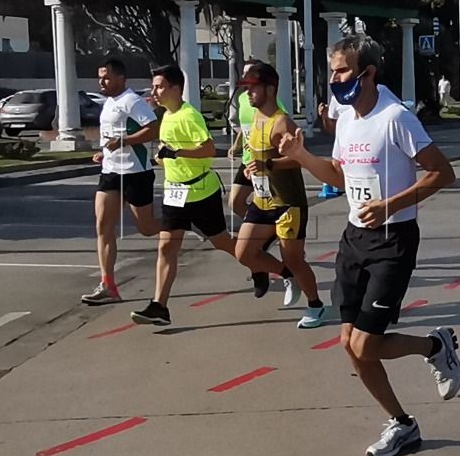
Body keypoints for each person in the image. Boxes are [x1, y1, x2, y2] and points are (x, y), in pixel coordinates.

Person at [277, 35, 460, 456]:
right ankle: (403, 424)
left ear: (368, 73)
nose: (335, 79)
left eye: (342, 71)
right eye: (333, 71)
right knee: (349, 343)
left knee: (364, 345)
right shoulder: (346, 118)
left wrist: (390, 205)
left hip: (393, 240)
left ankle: (435, 349)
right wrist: (303, 155)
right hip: (354, 238)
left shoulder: (395, 117)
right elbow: (341, 176)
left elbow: (443, 173)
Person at [129, 65, 240, 327]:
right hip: (175, 192)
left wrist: (177, 154)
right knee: (166, 247)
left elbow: (210, 150)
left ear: (175, 88)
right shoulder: (166, 115)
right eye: (154, 86)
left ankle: (268, 266)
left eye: (159, 86)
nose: (154, 92)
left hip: (201, 191)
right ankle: (159, 306)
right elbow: (172, 149)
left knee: (222, 242)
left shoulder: (190, 116)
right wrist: (164, 157)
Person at [236, 63, 327, 328]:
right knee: (244, 253)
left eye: (253, 88)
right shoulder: (255, 118)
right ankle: (287, 275)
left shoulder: (281, 122)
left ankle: (315, 305)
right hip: (262, 200)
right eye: (247, 88)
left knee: (294, 258)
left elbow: (300, 158)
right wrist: (252, 171)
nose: (248, 93)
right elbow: (255, 155)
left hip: (288, 204)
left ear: (270, 88)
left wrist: (270, 164)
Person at [82, 58, 160, 305]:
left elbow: (153, 128)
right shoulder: (109, 103)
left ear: (120, 78)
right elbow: (111, 138)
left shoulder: (132, 101)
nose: (101, 82)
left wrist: (124, 142)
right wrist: (103, 152)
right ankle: (108, 285)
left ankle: (184, 223)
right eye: (100, 77)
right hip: (110, 172)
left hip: (136, 172)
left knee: (146, 229)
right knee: (103, 226)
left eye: (106, 77)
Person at [228, 61, 290, 289]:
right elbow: (247, 129)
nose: (247, 86)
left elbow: (293, 152)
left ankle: (265, 238)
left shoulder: (275, 111)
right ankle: (262, 241)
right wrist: (237, 146)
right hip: (250, 163)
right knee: (234, 202)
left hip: (272, 177)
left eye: (252, 81)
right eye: (244, 77)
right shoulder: (247, 101)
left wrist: (270, 163)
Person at [315, 95, 344, 199]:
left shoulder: (380, 91)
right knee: (336, 163)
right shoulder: (336, 97)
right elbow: (330, 128)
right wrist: (324, 115)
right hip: (343, 143)